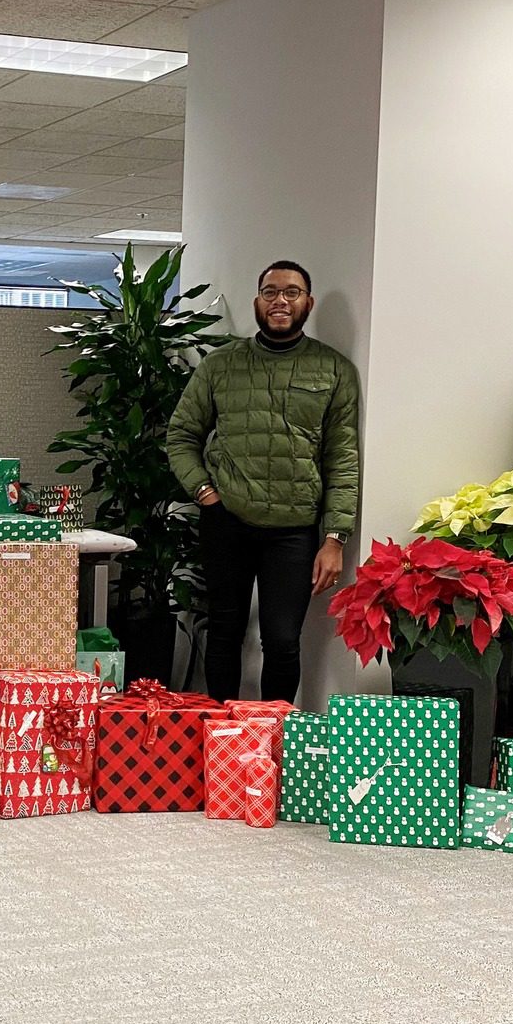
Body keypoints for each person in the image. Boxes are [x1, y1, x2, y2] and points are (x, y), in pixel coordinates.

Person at [166, 259, 359, 702]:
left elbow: (342, 459)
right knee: (225, 631)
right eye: (271, 292)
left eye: (291, 292)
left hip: (293, 531)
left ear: (307, 302)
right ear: (258, 301)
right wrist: (205, 492)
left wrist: (334, 538)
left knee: (282, 640)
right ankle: (222, 735)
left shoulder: (334, 371)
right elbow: (180, 435)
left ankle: (274, 740)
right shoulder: (220, 365)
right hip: (226, 520)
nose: (280, 301)